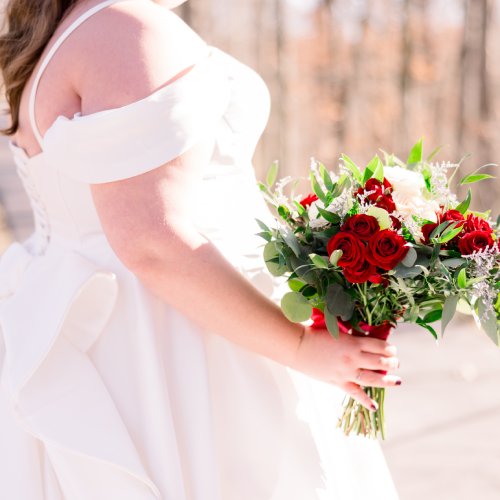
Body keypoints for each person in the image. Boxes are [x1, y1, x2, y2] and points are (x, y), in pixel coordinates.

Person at [0, 0, 401, 498]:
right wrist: (299, 347)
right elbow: (152, 240)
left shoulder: (66, 31)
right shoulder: (127, 31)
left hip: (135, 327)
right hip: (181, 344)